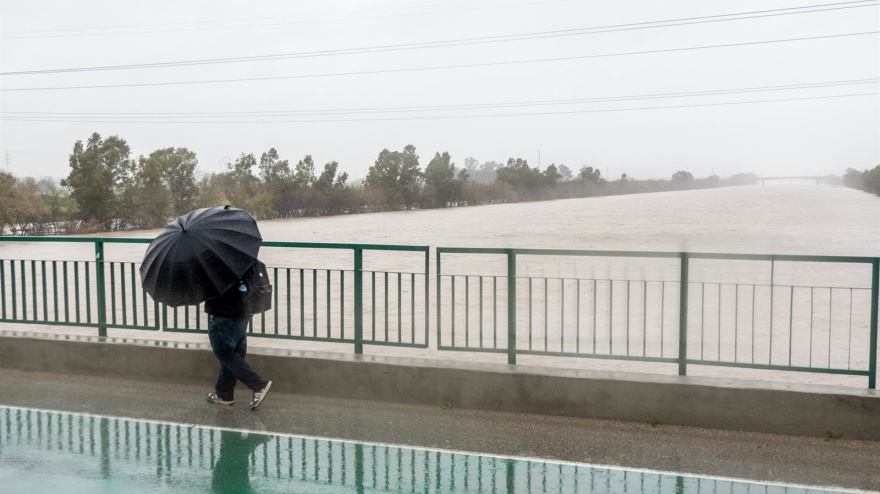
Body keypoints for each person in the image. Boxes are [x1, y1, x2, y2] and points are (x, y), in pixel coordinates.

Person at [204, 275, 272, 410]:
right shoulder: (240, 261)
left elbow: (210, 289)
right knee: (234, 352)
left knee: (223, 351)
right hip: (243, 311)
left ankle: (258, 385)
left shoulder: (214, 266)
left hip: (225, 313)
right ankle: (224, 393)